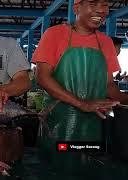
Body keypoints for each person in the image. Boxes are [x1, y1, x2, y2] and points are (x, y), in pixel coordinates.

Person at [32, 0, 128, 168]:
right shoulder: (54, 34)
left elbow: (109, 87)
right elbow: (43, 78)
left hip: (93, 127)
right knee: (57, 168)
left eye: (105, 5)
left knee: (89, 167)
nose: (101, 10)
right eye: (93, 3)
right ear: (76, 8)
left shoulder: (105, 42)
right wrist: (82, 104)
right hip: (59, 126)